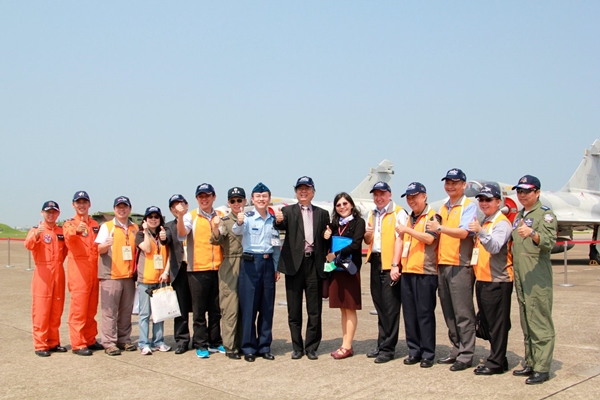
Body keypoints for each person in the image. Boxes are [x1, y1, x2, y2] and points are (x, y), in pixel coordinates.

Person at [426, 168, 478, 372]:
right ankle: (456, 348)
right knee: (448, 311)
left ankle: (466, 354)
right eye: (447, 182)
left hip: (460, 265)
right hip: (442, 264)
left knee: (463, 312)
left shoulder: (469, 206)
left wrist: (439, 228)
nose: (450, 186)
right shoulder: (444, 207)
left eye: (455, 182)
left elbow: (464, 232)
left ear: (464, 185)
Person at [274, 176, 329, 360]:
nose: (303, 192)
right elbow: (279, 225)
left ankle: (312, 347)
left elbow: (326, 237)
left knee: (314, 310)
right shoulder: (287, 211)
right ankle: (297, 346)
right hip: (294, 266)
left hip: (314, 264)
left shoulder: (322, 213)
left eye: (307, 189)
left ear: (313, 192)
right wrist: (279, 220)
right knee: (294, 309)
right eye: (300, 189)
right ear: (296, 192)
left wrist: (328, 235)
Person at [510, 175, 557, 385]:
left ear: (537, 192)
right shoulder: (519, 215)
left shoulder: (544, 215)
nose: (522, 195)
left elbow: (549, 242)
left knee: (539, 320)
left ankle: (542, 367)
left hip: (537, 275)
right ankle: (530, 361)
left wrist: (533, 234)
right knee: (526, 319)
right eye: (519, 191)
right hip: (521, 274)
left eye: (527, 191)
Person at [232, 183, 281, 362]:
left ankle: (264, 346)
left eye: (264, 196)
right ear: (252, 199)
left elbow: (276, 245)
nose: (261, 199)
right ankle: (249, 347)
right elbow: (237, 230)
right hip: (250, 264)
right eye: (258, 196)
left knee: (267, 308)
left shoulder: (273, 219)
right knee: (249, 308)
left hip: (268, 264)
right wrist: (239, 221)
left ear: (269, 198)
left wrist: (276, 268)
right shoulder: (248, 217)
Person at [176, 183, 225, 359]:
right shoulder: (191, 217)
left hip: (217, 268)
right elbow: (181, 233)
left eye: (207, 196)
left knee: (215, 310)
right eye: (201, 196)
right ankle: (200, 343)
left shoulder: (221, 215)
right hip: (196, 269)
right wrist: (181, 216)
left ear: (214, 197)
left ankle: (215, 341)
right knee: (198, 311)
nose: (204, 199)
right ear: (197, 199)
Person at [468, 184, 513, 375]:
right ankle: (499, 359)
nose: (484, 203)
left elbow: (495, 247)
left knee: (498, 324)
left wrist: (480, 232)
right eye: (481, 200)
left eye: (488, 200)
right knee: (489, 322)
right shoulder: (486, 221)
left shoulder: (500, 223)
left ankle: (495, 362)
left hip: (498, 280)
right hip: (484, 279)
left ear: (498, 202)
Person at [396, 182, 440, 368]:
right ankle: (414, 350)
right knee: (410, 314)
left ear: (424, 196)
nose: (411, 200)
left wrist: (408, 231)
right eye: (408, 197)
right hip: (407, 270)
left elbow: (430, 239)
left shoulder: (433, 216)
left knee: (425, 314)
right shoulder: (409, 218)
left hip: (425, 271)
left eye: (415, 196)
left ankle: (428, 353)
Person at [364, 181, 407, 364]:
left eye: (382, 194)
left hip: (391, 263)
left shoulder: (399, 212)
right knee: (380, 305)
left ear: (389, 194)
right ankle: (381, 343)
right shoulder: (372, 213)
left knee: (391, 308)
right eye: (376, 194)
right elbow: (368, 240)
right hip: (375, 260)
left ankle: (388, 349)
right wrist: (368, 234)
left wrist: (396, 264)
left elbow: (401, 239)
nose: (379, 198)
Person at [323, 193, 365, 360]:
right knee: (343, 309)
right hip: (337, 270)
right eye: (338, 205)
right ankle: (345, 343)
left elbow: (356, 245)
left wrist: (336, 254)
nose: (342, 207)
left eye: (345, 203)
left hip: (350, 270)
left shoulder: (358, 222)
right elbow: (328, 244)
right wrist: (325, 236)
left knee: (350, 308)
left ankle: (347, 346)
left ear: (352, 205)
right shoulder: (334, 225)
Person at [24, 201, 68, 357]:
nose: (51, 214)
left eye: (54, 212)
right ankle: (40, 344)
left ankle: (53, 341)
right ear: (42, 213)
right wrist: (36, 235)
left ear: (58, 214)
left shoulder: (61, 231)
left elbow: (66, 251)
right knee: (42, 310)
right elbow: (28, 245)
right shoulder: (36, 230)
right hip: (43, 272)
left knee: (56, 308)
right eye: (48, 212)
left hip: (58, 271)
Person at [95, 196, 138, 356]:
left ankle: (124, 339)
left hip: (128, 276)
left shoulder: (134, 228)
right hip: (111, 275)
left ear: (129, 209)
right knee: (109, 311)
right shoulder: (107, 227)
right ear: (114, 209)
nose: (122, 209)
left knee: (126, 311)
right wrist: (105, 245)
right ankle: (109, 342)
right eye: (119, 207)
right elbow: (98, 249)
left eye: (125, 207)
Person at [62, 191, 103, 356]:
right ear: (73, 205)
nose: (81, 205)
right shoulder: (70, 224)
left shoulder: (94, 224)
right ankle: (78, 343)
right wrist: (77, 231)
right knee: (79, 308)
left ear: (89, 204)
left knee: (91, 307)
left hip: (93, 268)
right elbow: (67, 237)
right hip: (78, 270)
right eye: (78, 202)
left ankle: (90, 338)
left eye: (84, 202)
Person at [210, 187, 246, 360]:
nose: (237, 204)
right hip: (231, 264)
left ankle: (244, 343)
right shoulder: (224, 221)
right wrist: (215, 227)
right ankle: (230, 346)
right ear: (228, 203)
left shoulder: (251, 219)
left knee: (246, 308)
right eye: (233, 201)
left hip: (248, 264)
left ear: (245, 202)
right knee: (230, 306)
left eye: (239, 200)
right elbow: (217, 239)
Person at [135, 206, 171, 355]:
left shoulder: (163, 235)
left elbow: (169, 255)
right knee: (145, 313)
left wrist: (166, 272)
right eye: (150, 217)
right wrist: (146, 232)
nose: (153, 220)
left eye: (156, 217)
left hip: (160, 278)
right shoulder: (140, 234)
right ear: (145, 220)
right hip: (145, 279)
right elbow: (148, 248)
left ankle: (158, 341)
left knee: (159, 313)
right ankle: (144, 343)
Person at [164, 194, 192, 355]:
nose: (178, 208)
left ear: (187, 205)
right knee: (180, 308)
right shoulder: (169, 226)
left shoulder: (195, 221)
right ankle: (182, 340)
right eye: (174, 206)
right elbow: (165, 239)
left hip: (196, 267)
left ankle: (202, 338)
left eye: (180, 204)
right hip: (180, 269)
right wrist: (162, 237)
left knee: (200, 306)